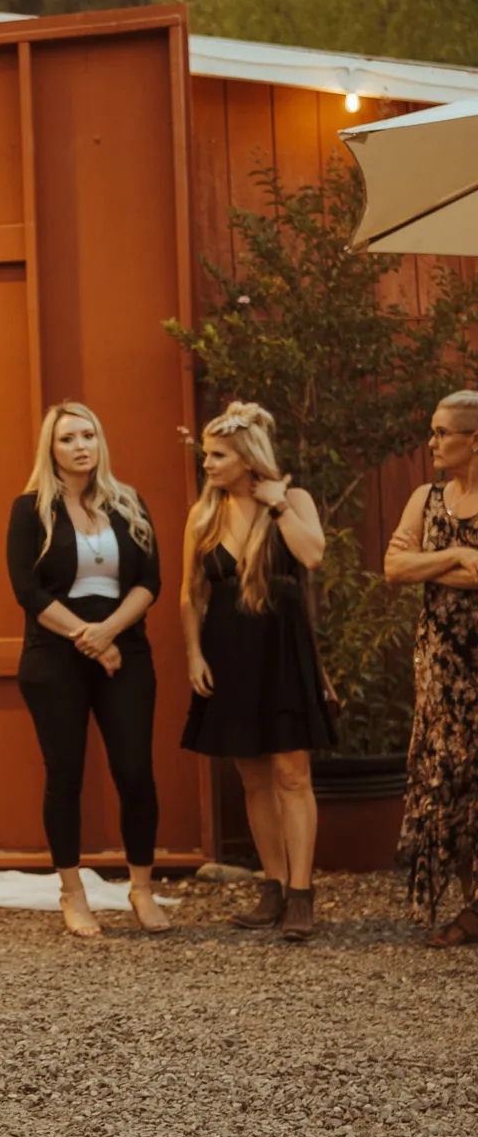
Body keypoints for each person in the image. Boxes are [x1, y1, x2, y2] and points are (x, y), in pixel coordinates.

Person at [6, 400, 168, 939]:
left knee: (135, 773)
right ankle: (72, 893)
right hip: (55, 657)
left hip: (125, 650)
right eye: (68, 438)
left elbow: (150, 582)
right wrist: (88, 639)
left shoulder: (129, 504)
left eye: (88, 436)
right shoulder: (30, 510)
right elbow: (28, 591)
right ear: (50, 450)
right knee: (65, 776)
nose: (80, 446)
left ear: (101, 442)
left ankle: (141, 890)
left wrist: (107, 635)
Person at [180, 401, 331, 940]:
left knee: (293, 774)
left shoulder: (291, 500)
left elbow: (313, 555)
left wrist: (278, 506)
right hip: (228, 654)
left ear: (247, 458)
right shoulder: (204, 516)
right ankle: (271, 885)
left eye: (217, 455)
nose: (208, 464)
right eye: (206, 455)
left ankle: (300, 893)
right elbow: (189, 594)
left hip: (282, 653)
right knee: (252, 775)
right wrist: (194, 654)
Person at [385, 389, 478, 946]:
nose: (433, 442)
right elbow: (394, 567)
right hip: (442, 671)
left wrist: (432, 565)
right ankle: (472, 905)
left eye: (443, 432)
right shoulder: (425, 498)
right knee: (449, 782)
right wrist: (458, 556)